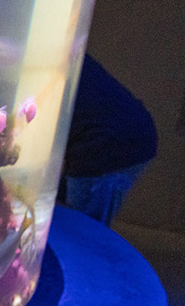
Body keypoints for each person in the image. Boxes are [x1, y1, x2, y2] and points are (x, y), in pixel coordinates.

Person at [60, 55, 159, 225]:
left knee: (80, 230)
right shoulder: (63, 49)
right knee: (75, 226)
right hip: (120, 134)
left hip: (106, 144)